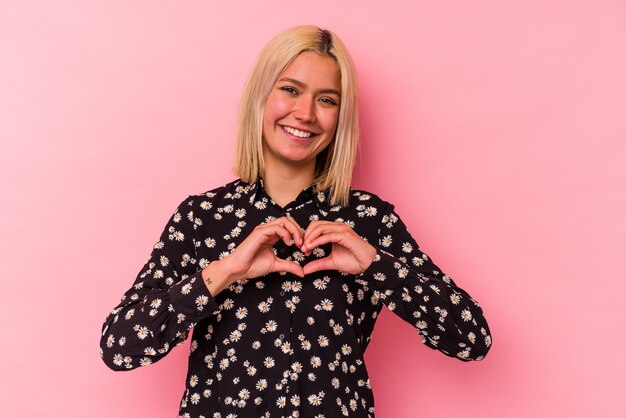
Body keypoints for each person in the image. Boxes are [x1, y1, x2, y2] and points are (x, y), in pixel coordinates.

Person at [100, 25, 492, 418]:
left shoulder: (369, 220)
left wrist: (377, 268)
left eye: (326, 99)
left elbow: (472, 339)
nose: (305, 114)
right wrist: (225, 272)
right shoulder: (202, 218)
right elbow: (119, 347)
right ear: (262, 96)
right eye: (290, 89)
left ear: (341, 117)